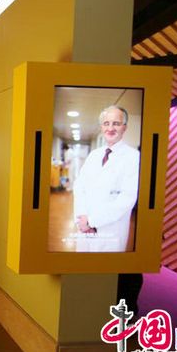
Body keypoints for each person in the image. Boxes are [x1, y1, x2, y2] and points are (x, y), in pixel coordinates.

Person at [73, 105, 139, 252]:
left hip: (110, 230)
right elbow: (79, 187)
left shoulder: (134, 157)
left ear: (124, 127)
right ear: (101, 127)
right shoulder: (94, 155)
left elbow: (126, 199)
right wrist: (82, 219)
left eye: (116, 123)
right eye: (106, 123)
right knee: (80, 271)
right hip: (84, 228)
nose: (110, 128)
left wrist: (92, 221)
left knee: (106, 272)